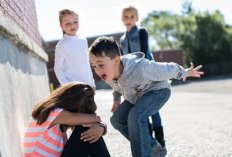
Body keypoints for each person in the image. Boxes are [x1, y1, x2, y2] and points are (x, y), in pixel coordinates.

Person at [89, 36, 204, 157]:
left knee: (136, 115)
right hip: (136, 96)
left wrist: (185, 72)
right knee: (116, 119)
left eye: (100, 64)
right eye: (93, 66)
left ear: (116, 61)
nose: (97, 70)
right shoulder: (108, 72)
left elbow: (166, 69)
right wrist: (116, 99)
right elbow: (117, 86)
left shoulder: (140, 67)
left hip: (158, 91)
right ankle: (153, 147)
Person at [119, 5, 165, 147]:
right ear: (122, 19)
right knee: (141, 109)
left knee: (153, 110)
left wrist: (152, 75)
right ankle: (150, 143)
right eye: (126, 16)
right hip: (133, 80)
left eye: (132, 16)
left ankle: (160, 141)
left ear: (137, 18)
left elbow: (145, 53)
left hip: (148, 75)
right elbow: (123, 60)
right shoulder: (121, 40)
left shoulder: (141, 32)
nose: (129, 19)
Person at [24, 82, 111, 157]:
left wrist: (101, 127)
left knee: (88, 128)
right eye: (79, 113)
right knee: (85, 128)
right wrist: (101, 126)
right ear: (72, 104)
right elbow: (96, 118)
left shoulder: (54, 115)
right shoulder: (53, 113)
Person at [54, 9, 95, 90]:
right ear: (61, 26)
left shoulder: (83, 40)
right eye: (67, 23)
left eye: (75, 22)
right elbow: (57, 68)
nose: (72, 26)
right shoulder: (62, 44)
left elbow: (87, 64)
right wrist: (66, 86)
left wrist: (92, 83)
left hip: (87, 86)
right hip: (73, 89)